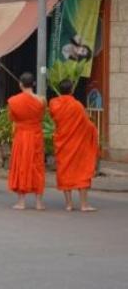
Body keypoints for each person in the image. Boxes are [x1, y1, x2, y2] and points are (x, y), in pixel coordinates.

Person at [49, 79, 99, 212]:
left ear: (60, 90)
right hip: (77, 144)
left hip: (63, 143)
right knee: (82, 171)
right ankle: (84, 205)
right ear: (72, 90)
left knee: (65, 172)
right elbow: (87, 124)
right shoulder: (77, 105)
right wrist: (94, 129)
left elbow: (54, 117)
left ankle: (69, 204)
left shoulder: (54, 104)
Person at [7, 72, 46, 210]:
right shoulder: (41, 100)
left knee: (22, 165)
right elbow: (41, 116)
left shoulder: (13, 101)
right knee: (37, 166)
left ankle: (21, 202)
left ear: (20, 84)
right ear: (33, 84)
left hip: (22, 136)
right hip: (36, 135)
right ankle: (39, 203)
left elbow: (12, 118)